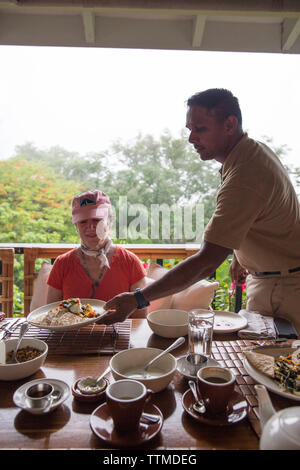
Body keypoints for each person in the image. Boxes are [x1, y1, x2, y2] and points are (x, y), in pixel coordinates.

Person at [102, 88, 300, 333]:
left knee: (276, 367)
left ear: (230, 124)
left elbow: (207, 261)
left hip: (282, 290)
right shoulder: (253, 152)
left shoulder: (245, 175)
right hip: (275, 281)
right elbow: (256, 214)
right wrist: (239, 255)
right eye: (190, 129)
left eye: (201, 129)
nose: (191, 138)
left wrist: (138, 298)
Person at [47, 189, 147, 317]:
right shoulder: (62, 264)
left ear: (110, 221)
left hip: (117, 335)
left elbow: (140, 317)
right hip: (72, 336)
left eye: (96, 220)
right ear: (76, 226)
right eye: (83, 221)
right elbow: (51, 315)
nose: (90, 226)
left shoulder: (130, 261)